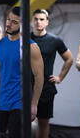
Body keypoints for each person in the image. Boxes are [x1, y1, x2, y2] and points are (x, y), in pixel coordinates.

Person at [0, 6, 44, 137]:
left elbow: (39, 76)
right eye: (9, 19)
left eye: (14, 22)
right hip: (2, 101)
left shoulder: (31, 47)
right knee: (0, 135)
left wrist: (34, 104)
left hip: (20, 102)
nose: (8, 24)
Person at [31, 9, 73, 138]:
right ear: (32, 21)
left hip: (46, 88)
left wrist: (60, 77)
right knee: (25, 123)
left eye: (42, 19)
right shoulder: (25, 39)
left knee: (43, 123)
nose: (39, 22)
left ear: (47, 22)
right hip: (28, 88)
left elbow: (69, 59)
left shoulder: (55, 40)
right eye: (36, 19)